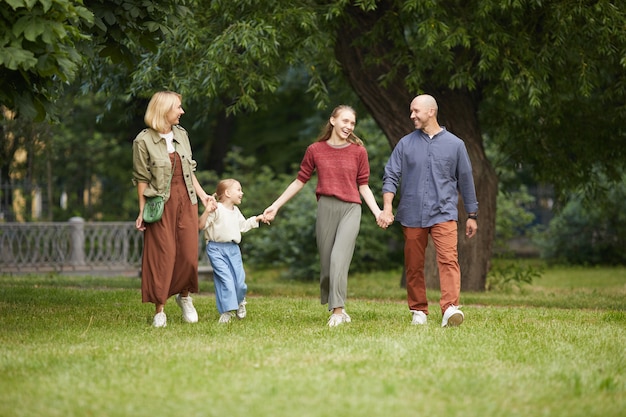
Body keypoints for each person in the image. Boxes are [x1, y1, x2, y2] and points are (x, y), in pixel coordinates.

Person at [263, 105, 383, 327]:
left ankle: (337, 312)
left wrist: (378, 212)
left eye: (352, 123)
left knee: (339, 259)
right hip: (326, 208)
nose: (348, 126)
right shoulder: (315, 150)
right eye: (345, 121)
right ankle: (340, 307)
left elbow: (364, 186)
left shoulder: (358, 152)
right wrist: (275, 206)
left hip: (351, 209)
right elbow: (300, 180)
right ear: (333, 120)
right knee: (328, 266)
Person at [379, 94, 478, 327]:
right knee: (414, 264)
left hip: (444, 213)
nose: (411, 115)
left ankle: (450, 308)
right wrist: (387, 207)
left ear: (431, 112)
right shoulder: (405, 144)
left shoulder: (456, 145)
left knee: (448, 260)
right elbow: (391, 176)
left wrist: (472, 215)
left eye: (415, 111)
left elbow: (466, 181)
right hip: (412, 213)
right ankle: (419, 310)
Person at [132, 91, 213, 328]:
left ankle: (184, 296)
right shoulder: (143, 140)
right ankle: (160, 309)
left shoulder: (182, 134)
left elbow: (190, 171)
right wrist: (141, 210)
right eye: (178, 107)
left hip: (186, 200)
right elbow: (141, 179)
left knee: (188, 254)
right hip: (160, 203)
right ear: (164, 110)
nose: (182, 111)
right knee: (163, 255)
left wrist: (204, 195)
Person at [199, 179, 267, 323]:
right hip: (216, 249)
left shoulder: (235, 211)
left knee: (240, 283)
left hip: (233, 249)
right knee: (226, 280)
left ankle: (240, 301)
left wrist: (257, 219)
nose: (241, 193)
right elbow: (201, 225)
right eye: (239, 190)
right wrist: (207, 211)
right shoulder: (216, 209)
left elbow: (243, 226)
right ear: (228, 193)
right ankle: (227, 311)